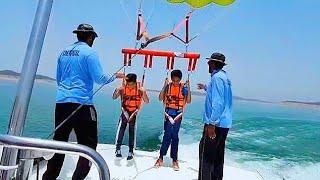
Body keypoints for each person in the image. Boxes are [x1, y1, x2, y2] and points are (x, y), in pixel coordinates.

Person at [42, 24, 124, 180]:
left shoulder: (63, 52)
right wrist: (115, 76)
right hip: (83, 106)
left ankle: (49, 178)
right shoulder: (90, 52)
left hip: (61, 104)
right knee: (89, 147)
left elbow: (59, 79)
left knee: (58, 143)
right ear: (90, 37)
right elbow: (100, 78)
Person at [197, 53, 233, 180]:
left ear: (213, 64)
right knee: (218, 156)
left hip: (215, 124)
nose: (207, 64)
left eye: (209, 62)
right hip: (224, 124)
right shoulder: (224, 77)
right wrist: (206, 87)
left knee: (206, 155)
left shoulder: (217, 78)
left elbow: (218, 103)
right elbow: (220, 95)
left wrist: (212, 123)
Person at [154, 69, 191, 171]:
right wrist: (164, 86)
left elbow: (188, 101)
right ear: (171, 79)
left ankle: (174, 160)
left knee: (175, 136)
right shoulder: (168, 86)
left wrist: (189, 88)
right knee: (167, 135)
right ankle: (161, 157)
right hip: (168, 115)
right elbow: (160, 98)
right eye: (173, 80)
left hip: (178, 115)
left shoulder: (183, 88)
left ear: (180, 79)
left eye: (177, 80)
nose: (175, 82)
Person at [113, 73, 149, 160]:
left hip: (134, 112)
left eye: (131, 84)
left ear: (135, 82)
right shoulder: (123, 88)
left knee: (131, 131)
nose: (129, 86)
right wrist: (116, 90)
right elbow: (114, 97)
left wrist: (143, 92)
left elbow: (147, 101)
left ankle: (130, 150)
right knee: (121, 129)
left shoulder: (140, 89)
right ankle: (118, 149)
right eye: (128, 83)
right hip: (125, 111)